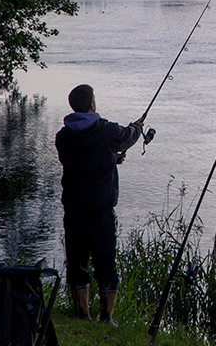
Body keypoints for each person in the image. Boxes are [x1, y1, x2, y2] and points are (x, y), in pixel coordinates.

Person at [55, 84, 143, 326]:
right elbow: (128, 137)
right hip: (101, 210)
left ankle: (82, 313)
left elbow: (80, 162)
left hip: (73, 209)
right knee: (105, 262)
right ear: (92, 105)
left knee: (77, 260)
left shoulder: (62, 137)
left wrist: (111, 158)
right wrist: (137, 127)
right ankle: (107, 317)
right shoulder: (107, 131)